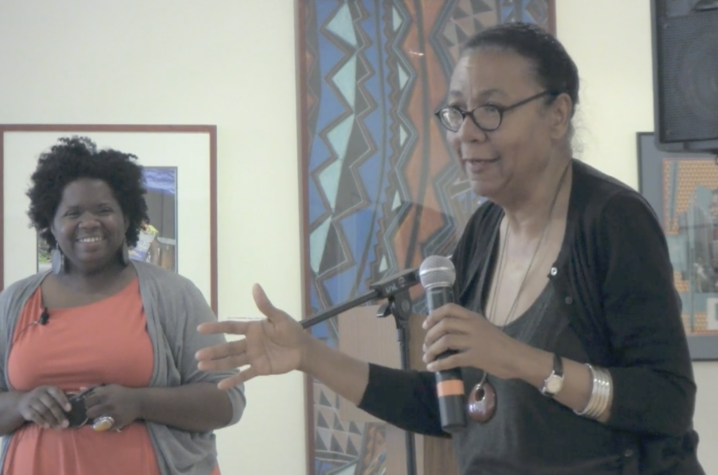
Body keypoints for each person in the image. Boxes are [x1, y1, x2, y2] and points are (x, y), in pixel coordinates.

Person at [195, 22, 704, 475]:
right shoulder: (484, 232)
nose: (465, 134)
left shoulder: (612, 220)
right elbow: (440, 403)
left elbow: (667, 401)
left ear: (557, 114)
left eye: (490, 110)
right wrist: (310, 356)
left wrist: (521, 360)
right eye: (457, 112)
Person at [0, 136, 246, 475]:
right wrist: (22, 404)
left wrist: (139, 402)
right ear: (51, 225)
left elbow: (227, 402)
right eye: (72, 213)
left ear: (127, 218)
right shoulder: (14, 302)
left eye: (104, 210)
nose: (89, 222)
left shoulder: (174, 294)